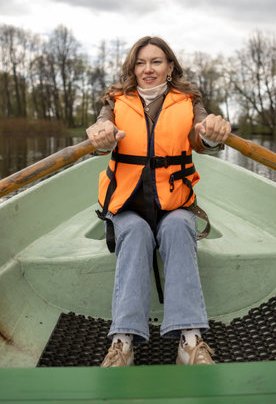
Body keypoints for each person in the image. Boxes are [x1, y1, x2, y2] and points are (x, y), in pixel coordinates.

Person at [86, 36, 231, 367]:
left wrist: (211, 132)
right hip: (127, 207)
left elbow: (201, 135)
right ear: (133, 68)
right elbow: (101, 130)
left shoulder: (189, 100)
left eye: (156, 62)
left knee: (180, 226)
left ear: (170, 67)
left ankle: (190, 340)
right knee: (136, 232)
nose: (147, 69)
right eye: (140, 62)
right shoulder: (115, 100)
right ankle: (122, 341)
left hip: (172, 205)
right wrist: (100, 133)